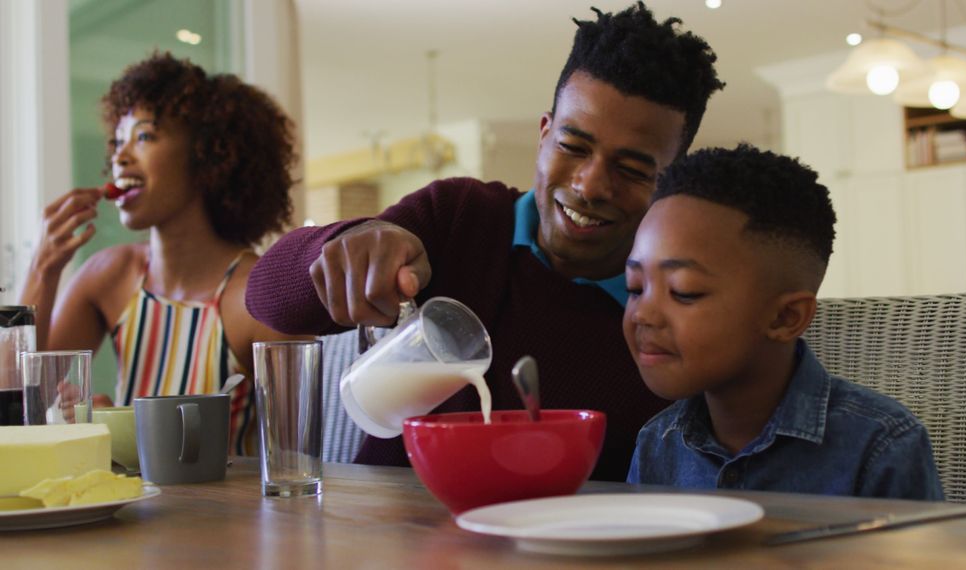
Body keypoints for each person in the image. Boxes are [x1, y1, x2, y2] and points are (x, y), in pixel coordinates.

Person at [245, 2, 725, 481]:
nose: (590, 185)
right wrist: (353, 242)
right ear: (543, 134)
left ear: (671, 178)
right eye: (572, 146)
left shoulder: (673, 312)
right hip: (391, 538)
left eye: (632, 169)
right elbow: (266, 301)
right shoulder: (461, 220)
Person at [19, 52, 307, 454]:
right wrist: (42, 269)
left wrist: (112, 422)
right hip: (125, 512)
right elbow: (12, 403)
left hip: (226, 517)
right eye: (118, 141)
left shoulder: (256, 297)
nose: (119, 156)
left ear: (207, 155)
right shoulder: (110, 275)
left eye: (144, 136)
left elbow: (294, 460)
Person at [624, 144, 943, 499]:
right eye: (635, 287)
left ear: (785, 317)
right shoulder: (657, 442)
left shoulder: (882, 445)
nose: (643, 314)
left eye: (684, 292)